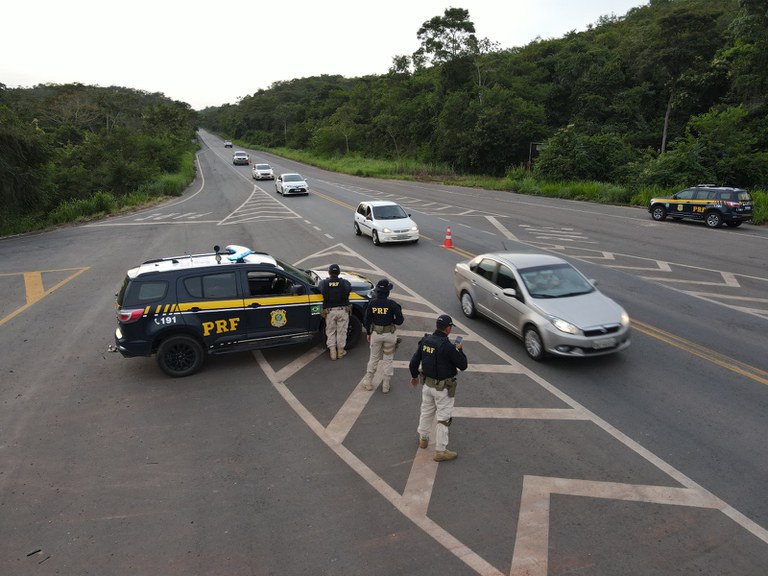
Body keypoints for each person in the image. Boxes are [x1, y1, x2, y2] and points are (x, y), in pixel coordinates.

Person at [409, 314, 467, 462]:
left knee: (426, 411)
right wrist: (459, 349)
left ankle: (423, 438)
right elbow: (463, 365)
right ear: (448, 328)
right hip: (443, 389)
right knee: (443, 419)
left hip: (427, 385)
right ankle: (440, 451)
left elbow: (414, 362)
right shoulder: (448, 346)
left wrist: (414, 376)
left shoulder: (425, 341)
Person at [361, 278, 404, 394]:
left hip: (376, 334)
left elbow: (367, 320)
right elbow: (400, 321)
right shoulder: (393, 305)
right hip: (390, 335)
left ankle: (368, 381)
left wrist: (369, 333)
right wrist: (392, 320)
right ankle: (386, 384)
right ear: (388, 292)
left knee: (374, 358)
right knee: (388, 359)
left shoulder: (372, 304)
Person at [320, 263, 352, 360]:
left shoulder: (323, 283)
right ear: (339, 273)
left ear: (329, 273)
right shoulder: (344, 282)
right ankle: (341, 352)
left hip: (329, 312)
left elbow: (319, 289)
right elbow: (349, 289)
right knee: (341, 332)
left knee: (330, 331)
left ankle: (333, 352)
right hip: (342, 311)